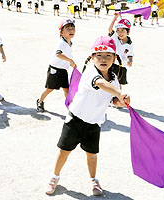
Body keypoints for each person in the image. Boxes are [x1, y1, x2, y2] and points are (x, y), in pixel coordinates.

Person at [45, 36, 130, 196]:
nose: (103, 59)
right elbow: (99, 83)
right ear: (92, 57)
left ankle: (93, 180)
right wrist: (120, 93)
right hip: (75, 120)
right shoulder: (90, 72)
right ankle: (54, 176)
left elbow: (112, 100)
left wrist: (121, 101)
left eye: (108, 56)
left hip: (94, 124)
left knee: (92, 155)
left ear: (114, 58)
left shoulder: (114, 79)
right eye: (99, 55)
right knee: (64, 151)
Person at [37, 19, 77, 112]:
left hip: (63, 70)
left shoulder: (69, 42)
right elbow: (58, 54)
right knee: (50, 89)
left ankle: (70, 106)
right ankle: (40, 101)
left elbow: (67, 54)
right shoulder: (61, 43)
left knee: (66, 89)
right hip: (55, 70)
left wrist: (71, 63)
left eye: (73, 28)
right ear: (61, 32)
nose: (71, 30)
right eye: (68, 28)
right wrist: (70, 60)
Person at [108, 14, 133, 89]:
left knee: (119, 84)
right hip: (113, 64)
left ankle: (118, 96)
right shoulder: (115, 37)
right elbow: (110, 29)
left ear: (128, 31)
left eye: (122, 30)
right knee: (110, 82)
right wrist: (115, 18)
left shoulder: (130, 44)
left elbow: (130, 54)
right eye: (118, 30)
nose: (120, 33)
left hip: (122, 66)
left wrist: (130, 61)